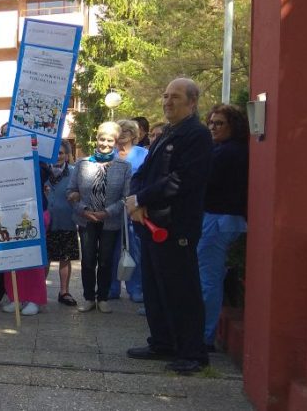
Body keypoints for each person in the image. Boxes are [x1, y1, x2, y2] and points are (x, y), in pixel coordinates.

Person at [125, 78, 213, 374]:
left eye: (175, 97)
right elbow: (145, 172)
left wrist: (141, 198)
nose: (167, 102)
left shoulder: (197, 135)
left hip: (176, 227)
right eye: (165, 96)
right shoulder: (166, 134)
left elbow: (182, 180)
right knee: (154, 288)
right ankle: (162, 342)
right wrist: (134, 199)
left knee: (181, 290)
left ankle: (192, 353)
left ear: (192, 102)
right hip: (150, 224)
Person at [198, 104, 249, 352]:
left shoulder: (228, 153)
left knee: (209, 279)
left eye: (219, 123)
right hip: (223, 219)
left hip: (219, 219)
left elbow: (203, 182)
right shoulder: (228, 150)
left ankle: (204, 337)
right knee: (212, 278)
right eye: (211, 122)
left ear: (233, 126)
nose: (213, 127)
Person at [68, 122, 132, 313]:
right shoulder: (82, 163)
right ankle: (88, 297)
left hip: (110, 221)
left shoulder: (124, 167)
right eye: (101, 139)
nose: (104, 143)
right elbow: (71, 192)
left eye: (109, 140)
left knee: (106, 260)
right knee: (88, 260)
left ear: (116, 142)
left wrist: (107, 212)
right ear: (96, 139)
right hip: (86, 219)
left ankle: (102, 297)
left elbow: (126, 198)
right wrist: (84, 209)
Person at [108, 119, 150, 302]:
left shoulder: (144, 154)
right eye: (119, 130)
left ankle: (136, 289)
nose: (122, 133)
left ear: (134, 134)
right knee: (111, 250)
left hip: (135, 209)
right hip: (113, 209)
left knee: (135, 249)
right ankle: (112, 288)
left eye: (126, 130)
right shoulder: (109, 154)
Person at [45, 141, 79, 306]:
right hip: (46, 222)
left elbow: (80, 192)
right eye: (55, 153)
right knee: (45, 258)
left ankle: (64, 292)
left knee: (65, 257)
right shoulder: (42, 172)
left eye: (61, 153)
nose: (58, 156)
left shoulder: (73, 173)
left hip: (66, 220)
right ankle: (39, 291)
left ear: (67, 155)